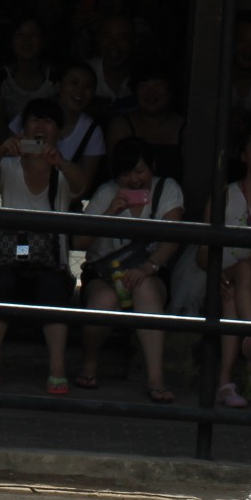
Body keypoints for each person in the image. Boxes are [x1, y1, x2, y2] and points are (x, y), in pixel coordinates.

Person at [0, 97, 74, 393]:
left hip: (50, 260)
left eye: (48, 121)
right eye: (35, 120)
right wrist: (1, 148)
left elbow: (82, 184)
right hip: (11, 254)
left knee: (54, 288)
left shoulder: (63, 171)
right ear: (24, 127)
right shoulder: (8, 166)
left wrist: (59, 162)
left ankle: (57, 370)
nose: (41, 126)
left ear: (59, 131)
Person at [77, 138, 183, 402]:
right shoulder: (106, 192)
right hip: (104, 275)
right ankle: (89, 364)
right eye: (126, 173)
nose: (134, 180)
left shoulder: (167, 189)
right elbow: (79, 242)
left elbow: (173, 236)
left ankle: (155, 379)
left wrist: (148, 267)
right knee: (104, 300)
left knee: (144, 287)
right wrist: (111, 212)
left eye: (140, 171)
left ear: (153, 168)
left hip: (149, 272)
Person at [199, 125, 251, 408]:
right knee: (238, 278)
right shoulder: (224, 195)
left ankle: (224, 382)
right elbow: (201, 254)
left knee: (241, 283)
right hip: (223, 279)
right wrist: (221, 274)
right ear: (244, 155)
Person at [105, 68, 184, 181]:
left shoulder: (186, 128)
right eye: (143, 84)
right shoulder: (121, 125)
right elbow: (116, 174)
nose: (150, 92)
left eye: (158, 84)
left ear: (170, 90)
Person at [49, 61, 106, 197]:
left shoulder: (92, 130)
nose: (80, 91)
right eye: (74, 83)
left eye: (88, 86)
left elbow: (83, 187)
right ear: (59, 85)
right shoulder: (34, 114)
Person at [0, 17, 53, 123]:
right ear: (11, 41)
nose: (27, 40)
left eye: (33, 34)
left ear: (43, 41)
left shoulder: (55, 78)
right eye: (20, 34)